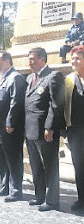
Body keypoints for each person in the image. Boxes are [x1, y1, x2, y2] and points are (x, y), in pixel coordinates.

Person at [25, 47, 64, 211]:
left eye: (32, 58)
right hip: (30, 130)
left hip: (45, 131)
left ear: (43, 59)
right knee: (36, 166)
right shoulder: (29, 78)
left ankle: (52, 200)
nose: (29, 62)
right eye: (29, 58)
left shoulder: (53, 76)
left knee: (50, 166)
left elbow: (55, 105)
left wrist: (50, 127)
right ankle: (39, 196)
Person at [0, 51, 26, 202]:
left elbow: (16, 101)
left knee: (13, 158)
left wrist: (10, 122)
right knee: (1, 158)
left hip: (8, 127)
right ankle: (5, 186)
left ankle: (16, 190)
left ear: (8, 61)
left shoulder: (15, 78)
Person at [64, 45, 84, 211]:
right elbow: (62, 105)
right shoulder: (69, 80)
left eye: (77, 58)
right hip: (76, 132)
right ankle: (82, 199)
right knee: (79, 166)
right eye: (73, 58)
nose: (74, 61)